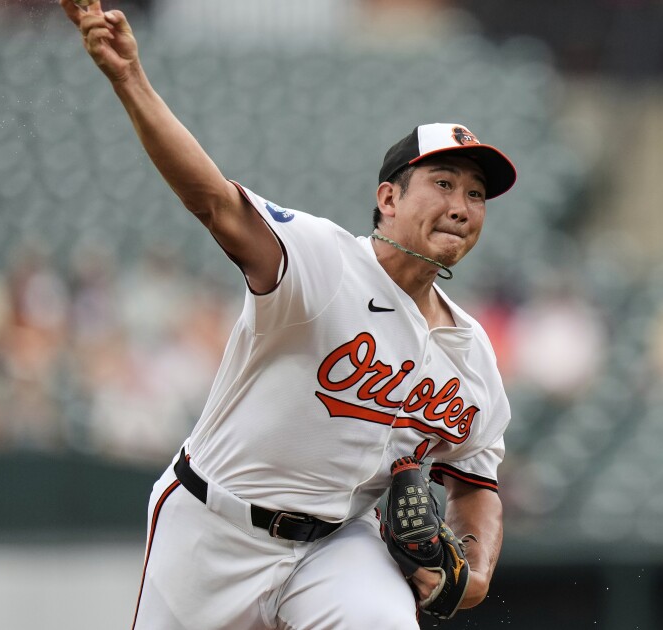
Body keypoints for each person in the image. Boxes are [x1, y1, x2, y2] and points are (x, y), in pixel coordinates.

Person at [59, 2, 516, 628]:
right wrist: (130, 79)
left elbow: (475, 481)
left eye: (475, 194)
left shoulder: (471, 352)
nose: (462, 204)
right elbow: (216, 203)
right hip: (213, 527)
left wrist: (475, 570)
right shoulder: (324, 261)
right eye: (443, 182)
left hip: (337, 545)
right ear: (388, 197)